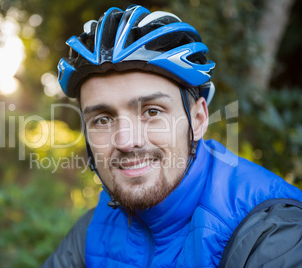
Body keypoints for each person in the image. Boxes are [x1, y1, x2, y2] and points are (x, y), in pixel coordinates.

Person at [42, 5, 302, 267]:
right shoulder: (93, 231)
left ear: (198, 120)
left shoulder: (271, 233)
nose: (125, 141)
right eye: (103, 119)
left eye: (152, 112)